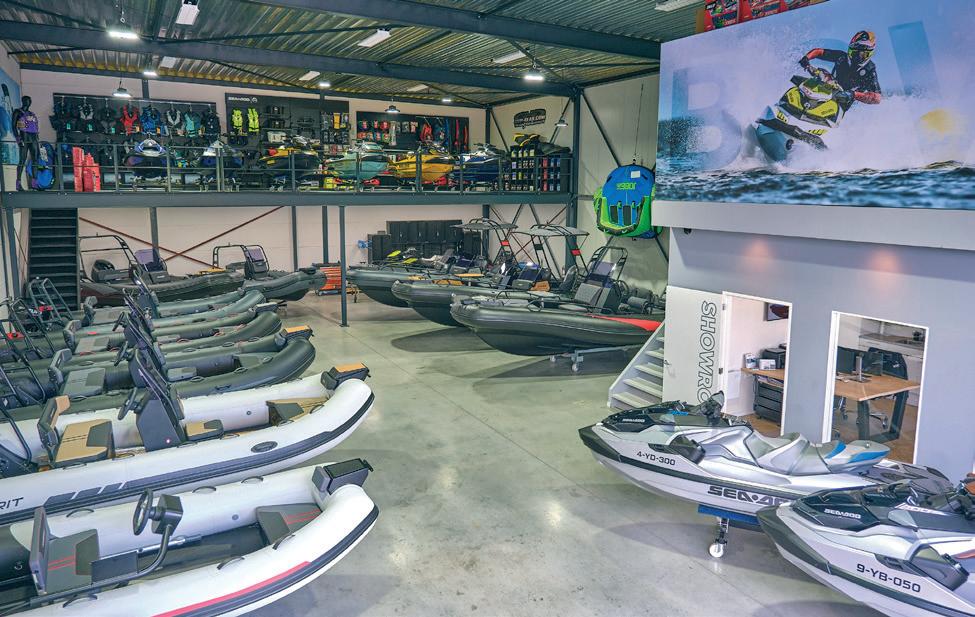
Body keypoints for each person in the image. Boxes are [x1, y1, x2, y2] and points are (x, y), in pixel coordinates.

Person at [799, 30, 881, 110]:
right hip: (829, 87)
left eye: (863, 55)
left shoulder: (870, 70)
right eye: (854, 53)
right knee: (821, 72)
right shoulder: (842, 57)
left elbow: (877, 98)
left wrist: (854, 94)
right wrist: (806, 59)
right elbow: (819, 52)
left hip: (844, 103)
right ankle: (804, 94)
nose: (857, 57)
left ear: (869, 54)